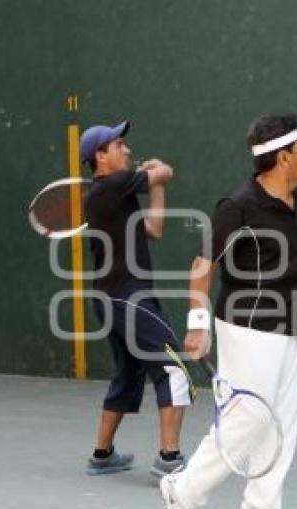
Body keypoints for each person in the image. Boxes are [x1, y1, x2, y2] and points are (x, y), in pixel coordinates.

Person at [159, 114, 297, 509]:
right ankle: (182, 492)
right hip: (246, 326)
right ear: (282, 157)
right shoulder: (237, 206)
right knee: (250, 420)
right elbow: (203, 266)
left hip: (290, 327)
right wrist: (197, 326)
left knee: (282, 424)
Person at [80, 120, 191, 477]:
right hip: (128, 299)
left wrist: (156, 183)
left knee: (128, 375)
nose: (127, 150)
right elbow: (167, 171)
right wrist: (157, 171)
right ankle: (170, 458)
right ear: (101, 155)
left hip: (111, 300)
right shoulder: (110, 186)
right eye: (119, 145)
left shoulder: (113, 197)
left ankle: (102, 454)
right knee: (174, 369)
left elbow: (154, 229)